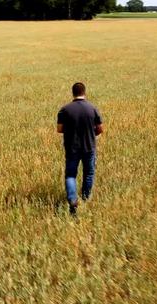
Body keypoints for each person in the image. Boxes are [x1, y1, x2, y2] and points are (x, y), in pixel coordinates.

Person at [57, 82, 103, 215]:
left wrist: (71, 130)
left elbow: (59, 129)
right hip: (89, 146)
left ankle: (72, 199)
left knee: (71, 175)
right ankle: (85, 198)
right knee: (88, 173)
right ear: (84, 92)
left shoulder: (65, 110)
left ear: (73, 93)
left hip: (72, 147)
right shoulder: (92, 108)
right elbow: (100, 129)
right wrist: (90, 132)